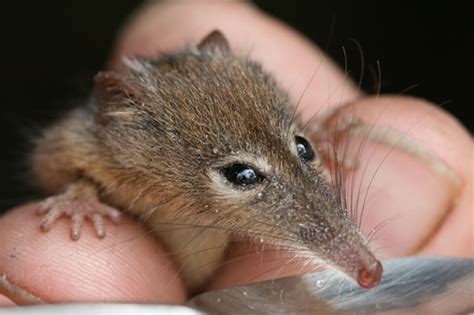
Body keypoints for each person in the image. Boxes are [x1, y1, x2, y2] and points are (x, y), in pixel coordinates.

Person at [0, 0, 472, 305]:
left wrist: (313, 141)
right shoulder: (107, 144)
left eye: (302, 148)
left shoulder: (261, 112)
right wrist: (79, 192)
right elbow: (54, 158)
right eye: (244, 177)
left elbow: (284, 148)